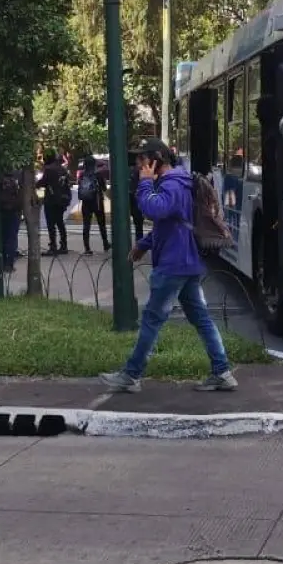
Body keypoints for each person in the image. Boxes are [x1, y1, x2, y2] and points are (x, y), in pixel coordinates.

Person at [99, 138, 238, 393]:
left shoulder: (172, 184)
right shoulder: (175, 182)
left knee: (152, 319)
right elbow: (170, 225)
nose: (138, 166)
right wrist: (144, 244)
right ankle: (222, 371)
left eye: (142, 160)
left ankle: (131, 374)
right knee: (201, 318)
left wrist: (144, 184)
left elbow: (155, 210)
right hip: (185, 262)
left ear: (156, 160)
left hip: (174, 264)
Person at [36, 150, 71, 255]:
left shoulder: (49, 169)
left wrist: (34, 184)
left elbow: (43, 182)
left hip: (51, 200)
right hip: (62, 199)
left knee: (51, 224)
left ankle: (53, 246)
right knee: (60, 222)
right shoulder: (62, 168)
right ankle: (63, 245)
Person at [77, 154, 110, 254]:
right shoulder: (98, 174)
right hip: (97, 202)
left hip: (85, 202)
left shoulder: (82, 174)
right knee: (101, 224)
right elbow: (104, 188)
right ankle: (105, 243)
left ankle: (87, 248)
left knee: (86, 225)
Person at [0, 167, 23, 272]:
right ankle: (9, 263)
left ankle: (3, 261)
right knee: (12, 237)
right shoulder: (19, 174)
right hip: (15, 210)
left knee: (4, 237)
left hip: (2, 209)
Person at [128, 159, 145, 241]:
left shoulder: (130, 171)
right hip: (136, 199)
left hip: (132, 198)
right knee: (138, 224)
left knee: (137, 224)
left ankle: (138, 241)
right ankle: (139, 241)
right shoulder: (139, 171)